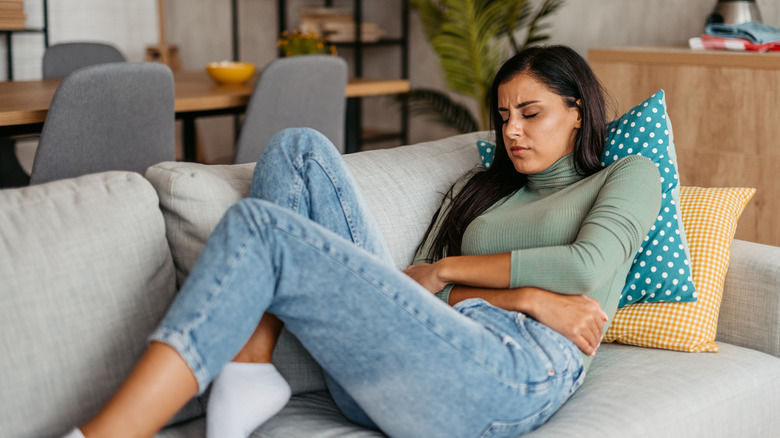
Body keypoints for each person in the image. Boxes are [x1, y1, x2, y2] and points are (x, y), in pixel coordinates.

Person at [63, 45, 661, 438]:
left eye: (531, 114)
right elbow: (413, 292)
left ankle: (138, 419)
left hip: (508, 374)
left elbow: (586, 269)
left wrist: (458, 272)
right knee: (295, 148)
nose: (512, 131)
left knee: (261, 229)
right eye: (503, 116)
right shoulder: (485, 190)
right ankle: (251, 364)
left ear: (578, 111)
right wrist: (526, 295)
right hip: (401, 362)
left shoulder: (628, 175)